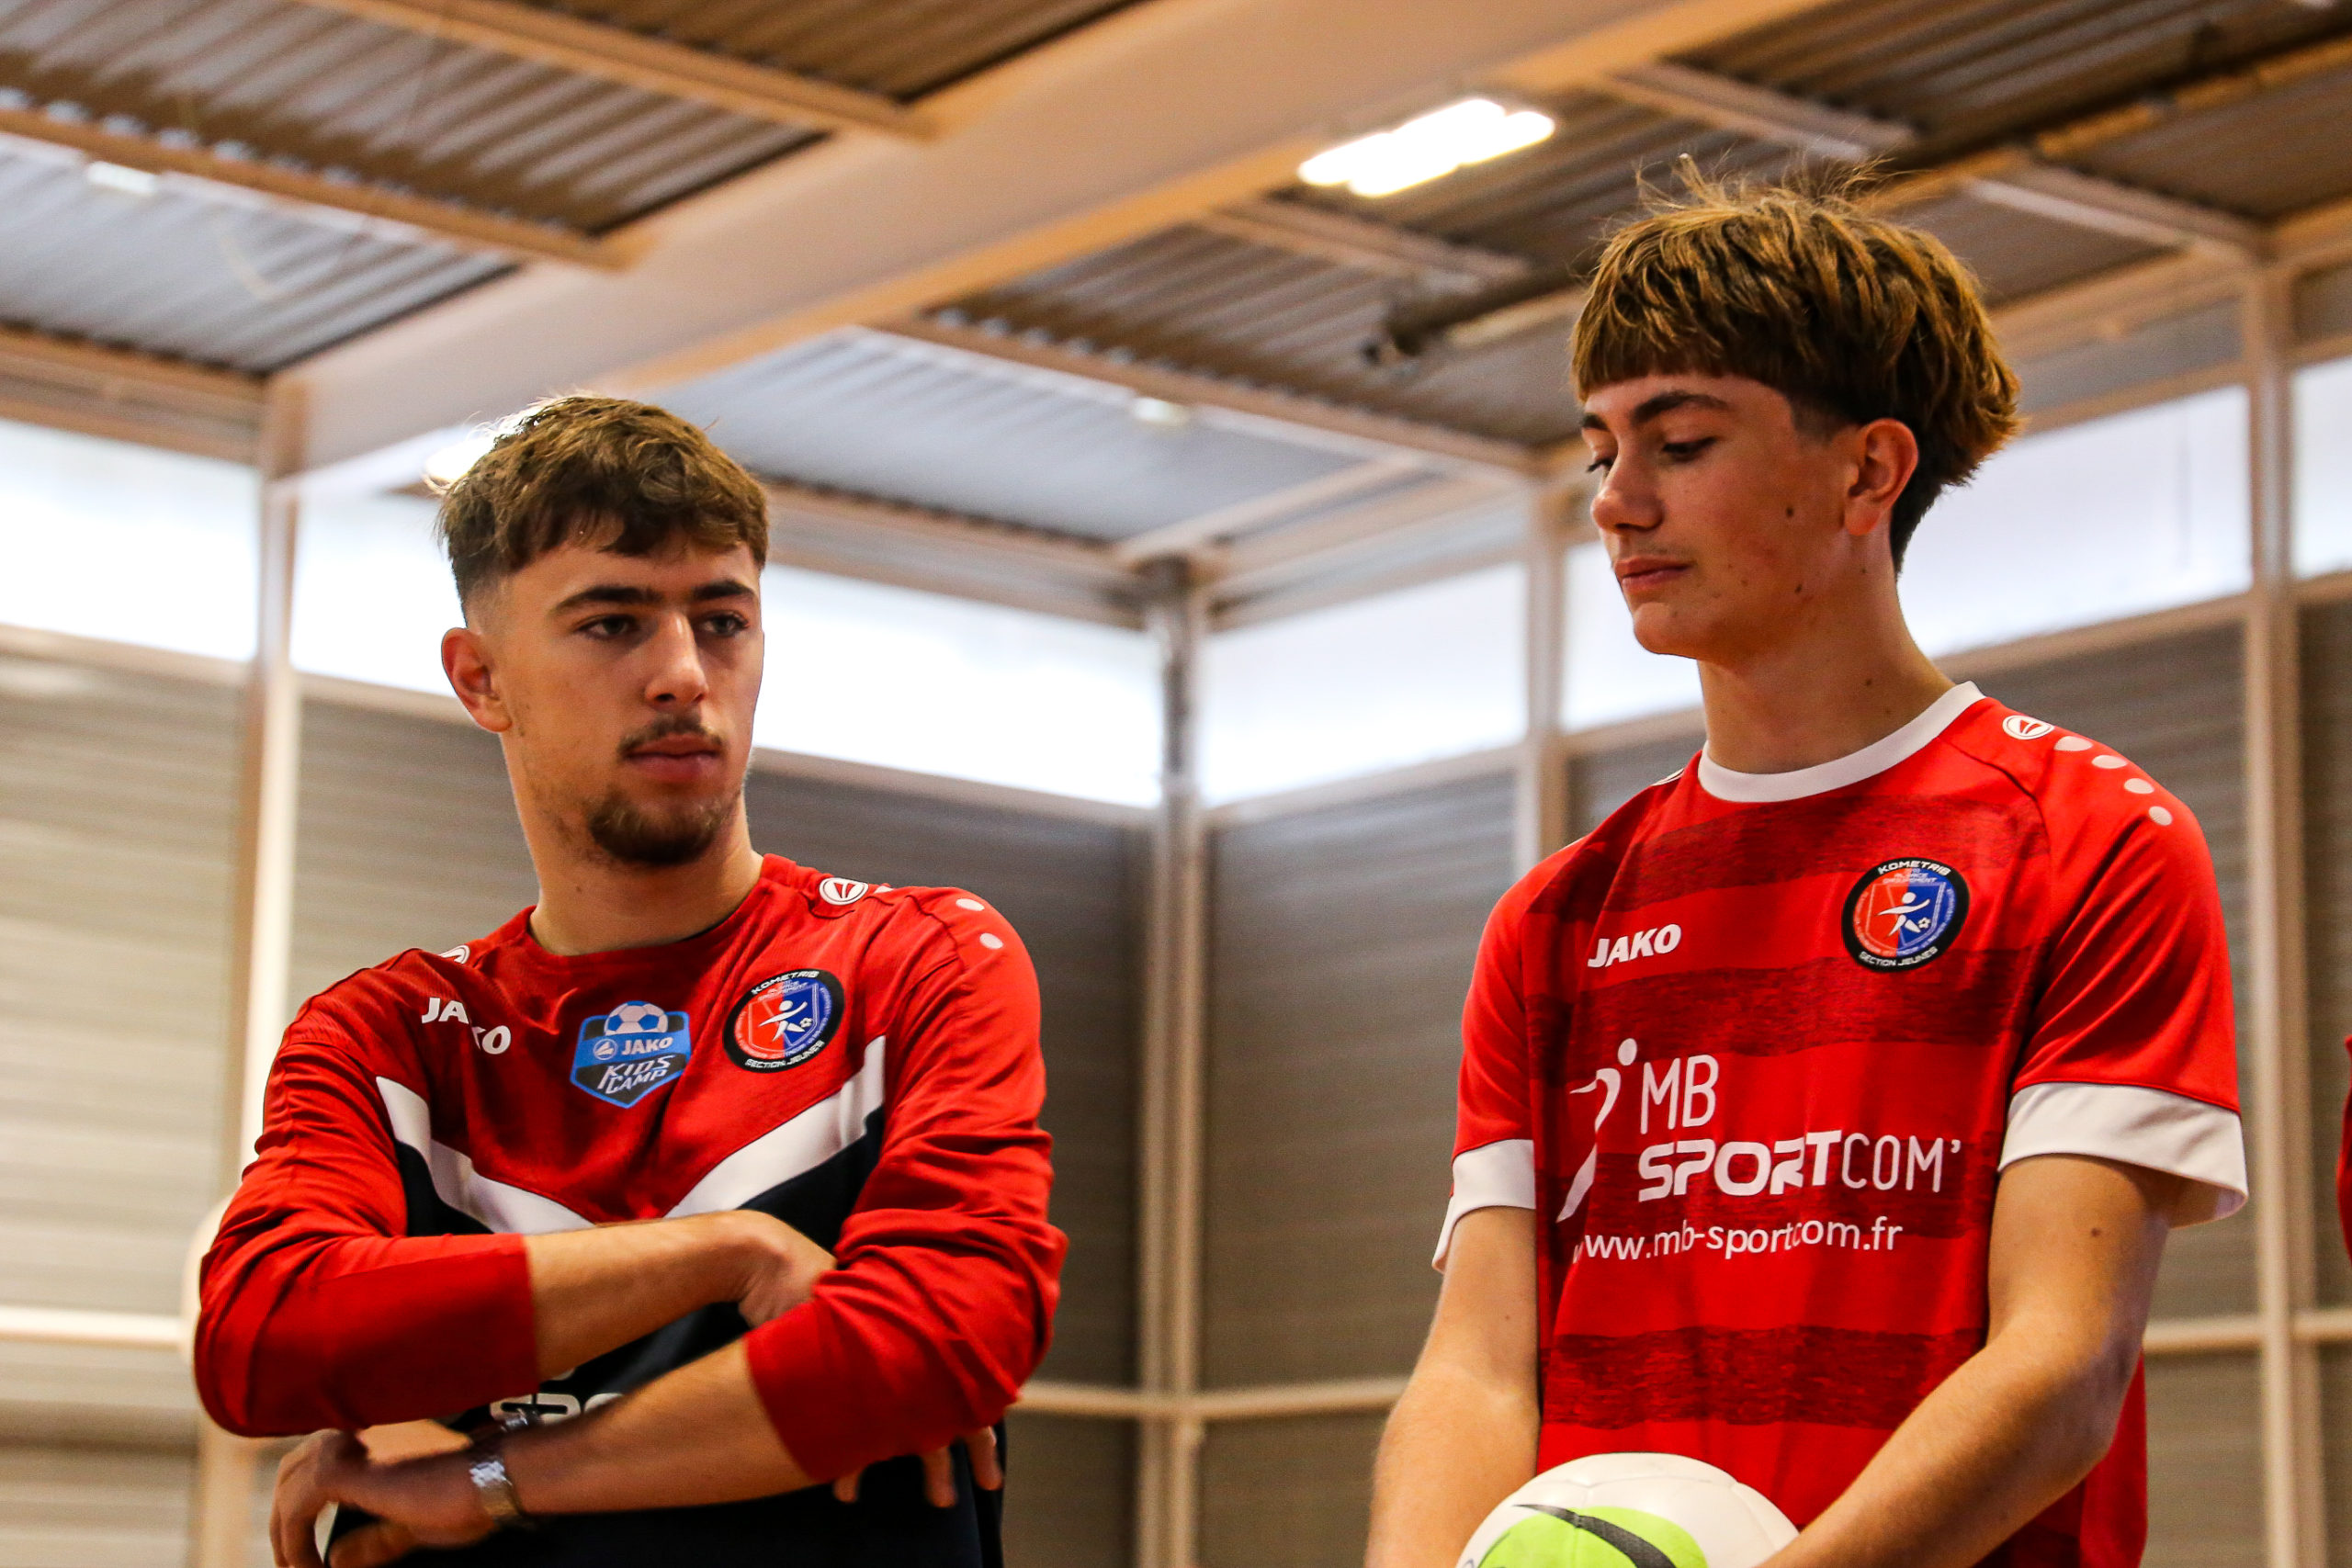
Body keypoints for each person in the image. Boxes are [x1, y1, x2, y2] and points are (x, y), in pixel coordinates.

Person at [1364, 177, 2245, 1568]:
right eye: (1600, 452)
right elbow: (1475, 1368)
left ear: (1868, 474)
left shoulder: (2089, 837)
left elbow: (2061, 1364)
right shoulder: (1558, 915)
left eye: (1682, 442)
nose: (1618, 504)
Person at [194, 397, 1065, 1566]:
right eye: (613, 623)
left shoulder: (919, 958)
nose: (683, 675)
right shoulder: (388, 1035)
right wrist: (728, 1254)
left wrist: (492, 1479)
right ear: (481, 680)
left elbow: (941, 1341)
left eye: (722, 621)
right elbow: (264, 1339)